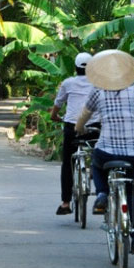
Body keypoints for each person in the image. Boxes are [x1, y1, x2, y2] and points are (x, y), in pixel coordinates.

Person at [75, 49, 134, 254]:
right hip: (133, 153)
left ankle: (101, 194)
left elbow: (84, 114)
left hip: (107, 150)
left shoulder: (98, 91)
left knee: (96, 166)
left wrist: (79, 127)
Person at [50, 52, 99, 216]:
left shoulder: (68, 83)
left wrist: (54, 116)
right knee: (99, 157)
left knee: (67, 163)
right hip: (94, 127)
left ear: (75, 67)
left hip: (72, 128)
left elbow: (58, 104)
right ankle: (102, 193)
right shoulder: (98, 83)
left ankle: (65, 203)